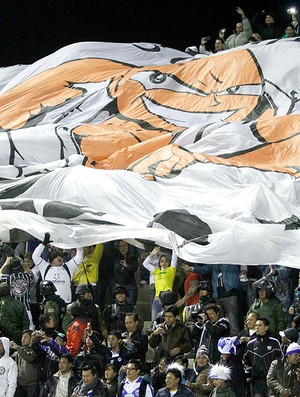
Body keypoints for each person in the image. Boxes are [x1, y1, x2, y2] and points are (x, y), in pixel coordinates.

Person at [183, 263, 240, 335]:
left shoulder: (231, 260)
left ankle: (234, 339)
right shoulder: (214, 262)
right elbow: (205, 269)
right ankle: (218, 338)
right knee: (217, 320)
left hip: (230, 293)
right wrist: (191, 268)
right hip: (217, 295)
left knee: (233, 319)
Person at [32, 233, 83, 304]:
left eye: (60, 256)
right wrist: (43, 244)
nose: (59, 258)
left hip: (66, 302)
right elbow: (35, 257)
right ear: (51, 262)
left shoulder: (68, 267)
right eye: (55, 257)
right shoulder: (45, 267)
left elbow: (79, 257)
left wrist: (78, 244)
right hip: (49, 303)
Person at [244, 317, 283, 397]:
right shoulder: (250, 344)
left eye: (260, 325)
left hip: (272, 381)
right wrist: (250, 373)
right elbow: (245, 361)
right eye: (256, 325)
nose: (257, 327)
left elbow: (281, 359)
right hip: (256, 382)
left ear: (266, 327)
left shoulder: (274, 342)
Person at [143, 246, 178, 321]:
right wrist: (152, 254)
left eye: (166, 261)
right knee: (154, 321)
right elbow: (145, 264)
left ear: (168, 263)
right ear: (159, 263)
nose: (164, 263)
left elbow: (175, 257)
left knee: (169, 322)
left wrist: (174, 246)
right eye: (162, 261)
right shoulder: (156, 271)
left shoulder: (171, 270)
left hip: (168, 301)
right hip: (157, 300)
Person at [0, 256, 34, 329]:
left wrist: (6, 263)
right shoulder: (27, 276)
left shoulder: (9, 277)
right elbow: (32, 274)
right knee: (29, 330)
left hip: (13, 309)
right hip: (26, 307)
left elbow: (0, 273)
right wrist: (24, 266)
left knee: (15, 329)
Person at [10, 330, 40, 397]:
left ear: (31, 338)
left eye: (25, 337)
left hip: (32, 385)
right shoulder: (18, 352)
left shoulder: (35, 350)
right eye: (22, 337)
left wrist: (18, 348)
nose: (23, 339)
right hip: (20, 385)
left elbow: (29, 358)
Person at [113, 240, 139, 305]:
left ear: (128, 246)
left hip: (130, 286)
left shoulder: (132, 257)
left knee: (130, 306)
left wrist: (127, 265)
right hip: (119, 285)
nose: (122, 248)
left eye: (124, 246)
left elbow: (135, 268)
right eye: (120, 246)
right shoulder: (116, 258)